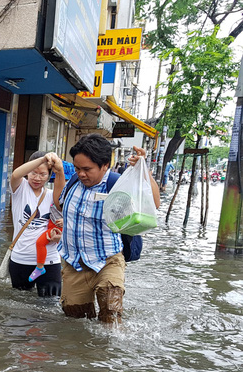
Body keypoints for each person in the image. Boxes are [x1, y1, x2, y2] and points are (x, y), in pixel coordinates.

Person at [52, 134, 161, 323]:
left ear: (104, 166)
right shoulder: (73, 183)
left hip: (107, 262)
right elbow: (60, 204)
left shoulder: (118, 185)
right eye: (77, 168)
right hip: (74, 265)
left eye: (87, 169)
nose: (81, 174)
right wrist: (61, 173)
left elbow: (154, 204)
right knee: (75, 320)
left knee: (112, 316)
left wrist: (144, 172)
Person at [8, 151, 64, 296]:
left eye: (43, 174)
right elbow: (15, 174)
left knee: (50, 306)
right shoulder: (20, 188)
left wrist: (59, 237)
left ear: (49, 175)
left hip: (50, 260)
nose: (37, 178)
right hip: (21, 258)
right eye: (33, 173)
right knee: (19, 304)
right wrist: (43, 159)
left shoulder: (52, 195)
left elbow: (62, 210)